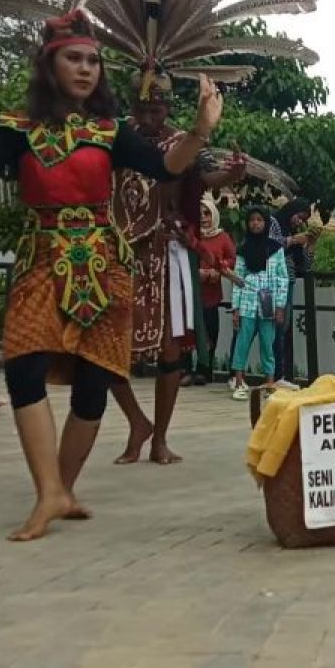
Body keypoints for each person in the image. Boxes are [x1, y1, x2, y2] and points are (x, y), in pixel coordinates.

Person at [0, 9, 223, 540]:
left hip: (102, 263)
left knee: (92, 385)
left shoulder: (109, 131)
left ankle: (62, 490)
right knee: (23, 368)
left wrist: (199, 130)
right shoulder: (17, 129)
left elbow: (166, 167)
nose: (85, 69)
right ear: (48, 64)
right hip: (42, 259)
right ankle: (48, 491)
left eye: (93, 61)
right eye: (73, 58)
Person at [108, 72, 246, 466]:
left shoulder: (183, 142)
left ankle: (160, 439)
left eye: (156, 109)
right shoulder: (113, 137)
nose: (149, 116)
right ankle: (137, 422)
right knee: (105, 349)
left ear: (167, 108)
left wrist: (232, 174)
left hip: (166, 254)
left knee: (171, 350)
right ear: (131, 107)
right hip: (120, 255)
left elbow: (205, 178)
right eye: (142, 109)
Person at [230, 207, 288, 400]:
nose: (255, 223)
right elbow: (238, 280)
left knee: (267, 343)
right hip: (247, 302)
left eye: (260, 220)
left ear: (266, 223)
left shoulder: (275, 249)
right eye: (252, 220)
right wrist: (235, 308)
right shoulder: (243, 249)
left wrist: (280, 306)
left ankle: (270, 384)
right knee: (242, 342)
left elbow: (282, 278)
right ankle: (239, 383)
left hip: (268, 304)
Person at [270, 197, 319, 380]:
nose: (299, 222)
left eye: (303, 220)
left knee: (282, 327)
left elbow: (305, 266)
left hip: (287, 284)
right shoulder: (273, 223)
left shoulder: (294, 233)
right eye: (299, 217)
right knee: (264, 327)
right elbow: (268, 246)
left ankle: (278, 375)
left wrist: (310, 244)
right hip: (269, 282)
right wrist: (292, 240)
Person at [195, 195, 236, 385]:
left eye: (207, 213)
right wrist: (197, 272)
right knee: (190, 332)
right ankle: (187, 369)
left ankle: (205, 370)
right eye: (200, 214)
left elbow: (232, 259)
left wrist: (217, 271)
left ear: (214, 216)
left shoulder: (223, 237)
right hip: (192, 292)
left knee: (210, 332)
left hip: (211, 295)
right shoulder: (192, 236)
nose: (204, 218)